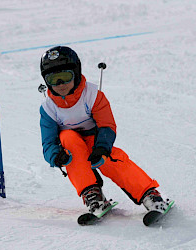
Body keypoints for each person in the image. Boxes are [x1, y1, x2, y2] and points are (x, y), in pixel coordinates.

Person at [39, 46, 169, 216]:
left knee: (112, 160)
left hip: (96, 140)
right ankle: (93, 195)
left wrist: (102, 147)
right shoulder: (48, 109)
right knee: (68, 138)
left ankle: (150, 194)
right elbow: (48, 142)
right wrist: (56, 156)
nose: (60, 84)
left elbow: (106, 124)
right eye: (53, 79)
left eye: (65, 77)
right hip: (72, 146)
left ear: (76, 73)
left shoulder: (92, 95)